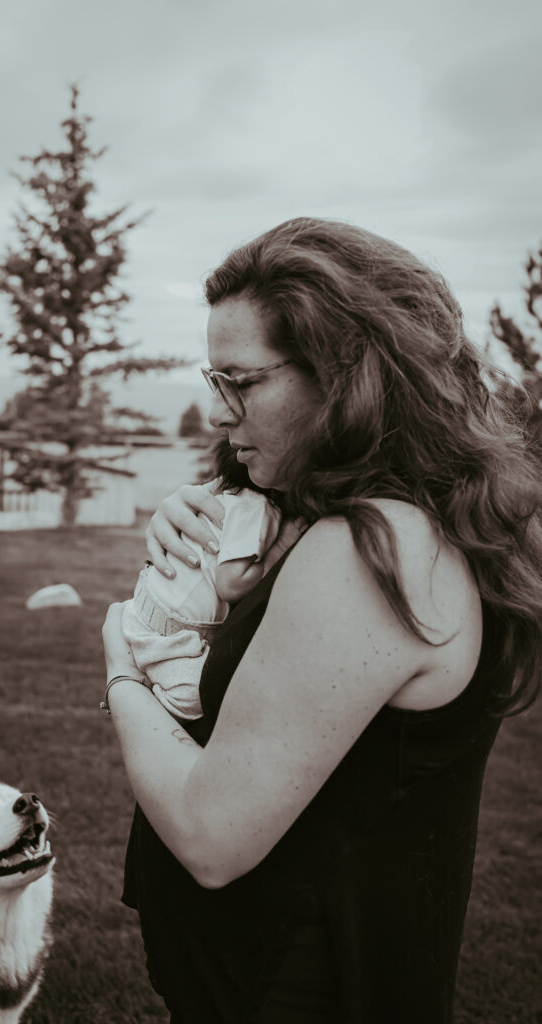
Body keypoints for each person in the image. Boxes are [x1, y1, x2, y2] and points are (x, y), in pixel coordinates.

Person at [100, 217, 542, 1024]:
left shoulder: (373, 551)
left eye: (243, 382)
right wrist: (199, 573)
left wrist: (122, 658)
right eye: (213, 381)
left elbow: (210, 834)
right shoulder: (372, 522)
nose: (220, 415)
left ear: (346, 374)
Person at [119, 482, 282, 720]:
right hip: (176, 634)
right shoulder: (259, 506)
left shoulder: (230, 496)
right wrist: (279, 551)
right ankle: (143, 696)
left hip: (145, 606)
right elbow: (230, 583)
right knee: (194, 702)